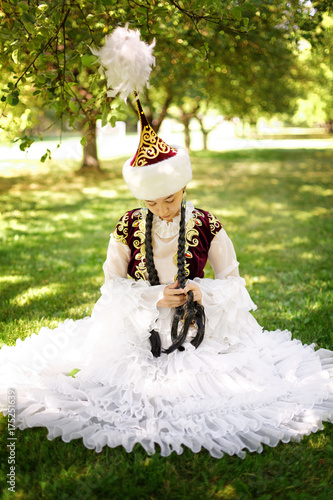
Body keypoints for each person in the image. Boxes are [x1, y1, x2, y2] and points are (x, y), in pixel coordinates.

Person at [0, 96, 332, 459]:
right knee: (113, 378)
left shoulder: (207, 223)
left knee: (223, 378)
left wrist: (201, 292)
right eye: (152, 203)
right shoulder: (127, 226)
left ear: (184, 187)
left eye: (170, 199)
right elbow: (111, 285)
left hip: (197, 322)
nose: (163, 209)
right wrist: (153, 298)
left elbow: (234, 282)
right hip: (139, 321)